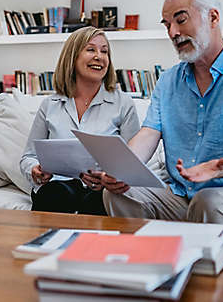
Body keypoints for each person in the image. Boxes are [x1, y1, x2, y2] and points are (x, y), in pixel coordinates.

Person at [84, 0, 223, 226]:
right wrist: (120, 170)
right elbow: (149, 133)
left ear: (213, 17)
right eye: (167, 25)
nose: (173, 32)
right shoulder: (168, 80)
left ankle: (208, 264)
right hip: (179, 193)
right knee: (118, 194)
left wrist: (218, 168)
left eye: (180, 20)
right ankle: (145, 261)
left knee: (209, 201)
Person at [20, 26, 140, 215]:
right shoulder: (50, 105)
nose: (99, 56)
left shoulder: (123, 103)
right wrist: (34, 170)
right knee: (55, 193)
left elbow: (134, 162)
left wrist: (108, 178)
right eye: (91, 49)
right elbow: (28, 157)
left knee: (99, 201)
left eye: (104, 51)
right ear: (72, 57)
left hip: (101, 191)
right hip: (57, 188)